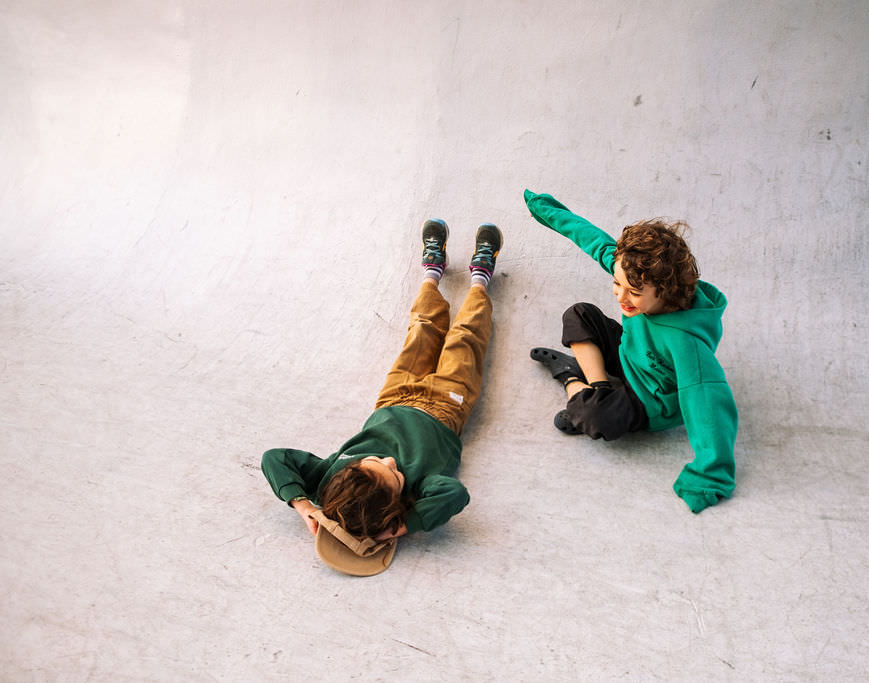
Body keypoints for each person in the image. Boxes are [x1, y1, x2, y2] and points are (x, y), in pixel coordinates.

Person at [261, 220, 502, 575]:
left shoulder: (330, 479)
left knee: (422, 329)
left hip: (395, 395)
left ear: (349, 471)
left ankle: (432, 272)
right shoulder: (416, 492)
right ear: (397, 506)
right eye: (395, 476)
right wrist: (405, 525)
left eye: (373, 461)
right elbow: (455, 495)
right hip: (445, 408)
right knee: (465, 338)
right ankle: (481, 277)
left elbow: (274, 458)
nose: (390, 461)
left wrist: (303, 505)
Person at [523, 189, 737, 514]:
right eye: (616, 283)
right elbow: (594, 241)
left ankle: (571, 378)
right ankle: (598, 386)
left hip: (648, 402)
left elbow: (707, 401)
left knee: (593, 416)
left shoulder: (685, 341)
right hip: (629, 356)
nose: (620, 296)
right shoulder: (634, 271)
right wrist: (548, 212)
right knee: (579, 314)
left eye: (633, 292)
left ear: (666, 291)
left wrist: (710, 475)